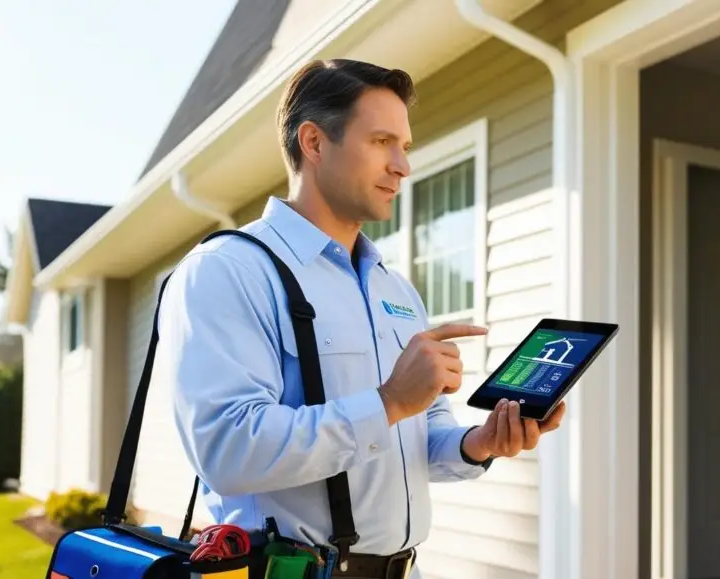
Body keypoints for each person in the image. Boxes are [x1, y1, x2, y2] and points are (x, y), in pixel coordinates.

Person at [154, 59, 566, 579]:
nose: (402, 166)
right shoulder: (229, 270)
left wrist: (477, 442)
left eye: (405, 147)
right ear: (314, 142)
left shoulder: (394, 289)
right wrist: (389, 401)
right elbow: (229, 450)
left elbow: (417, 434)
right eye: (380, 142)